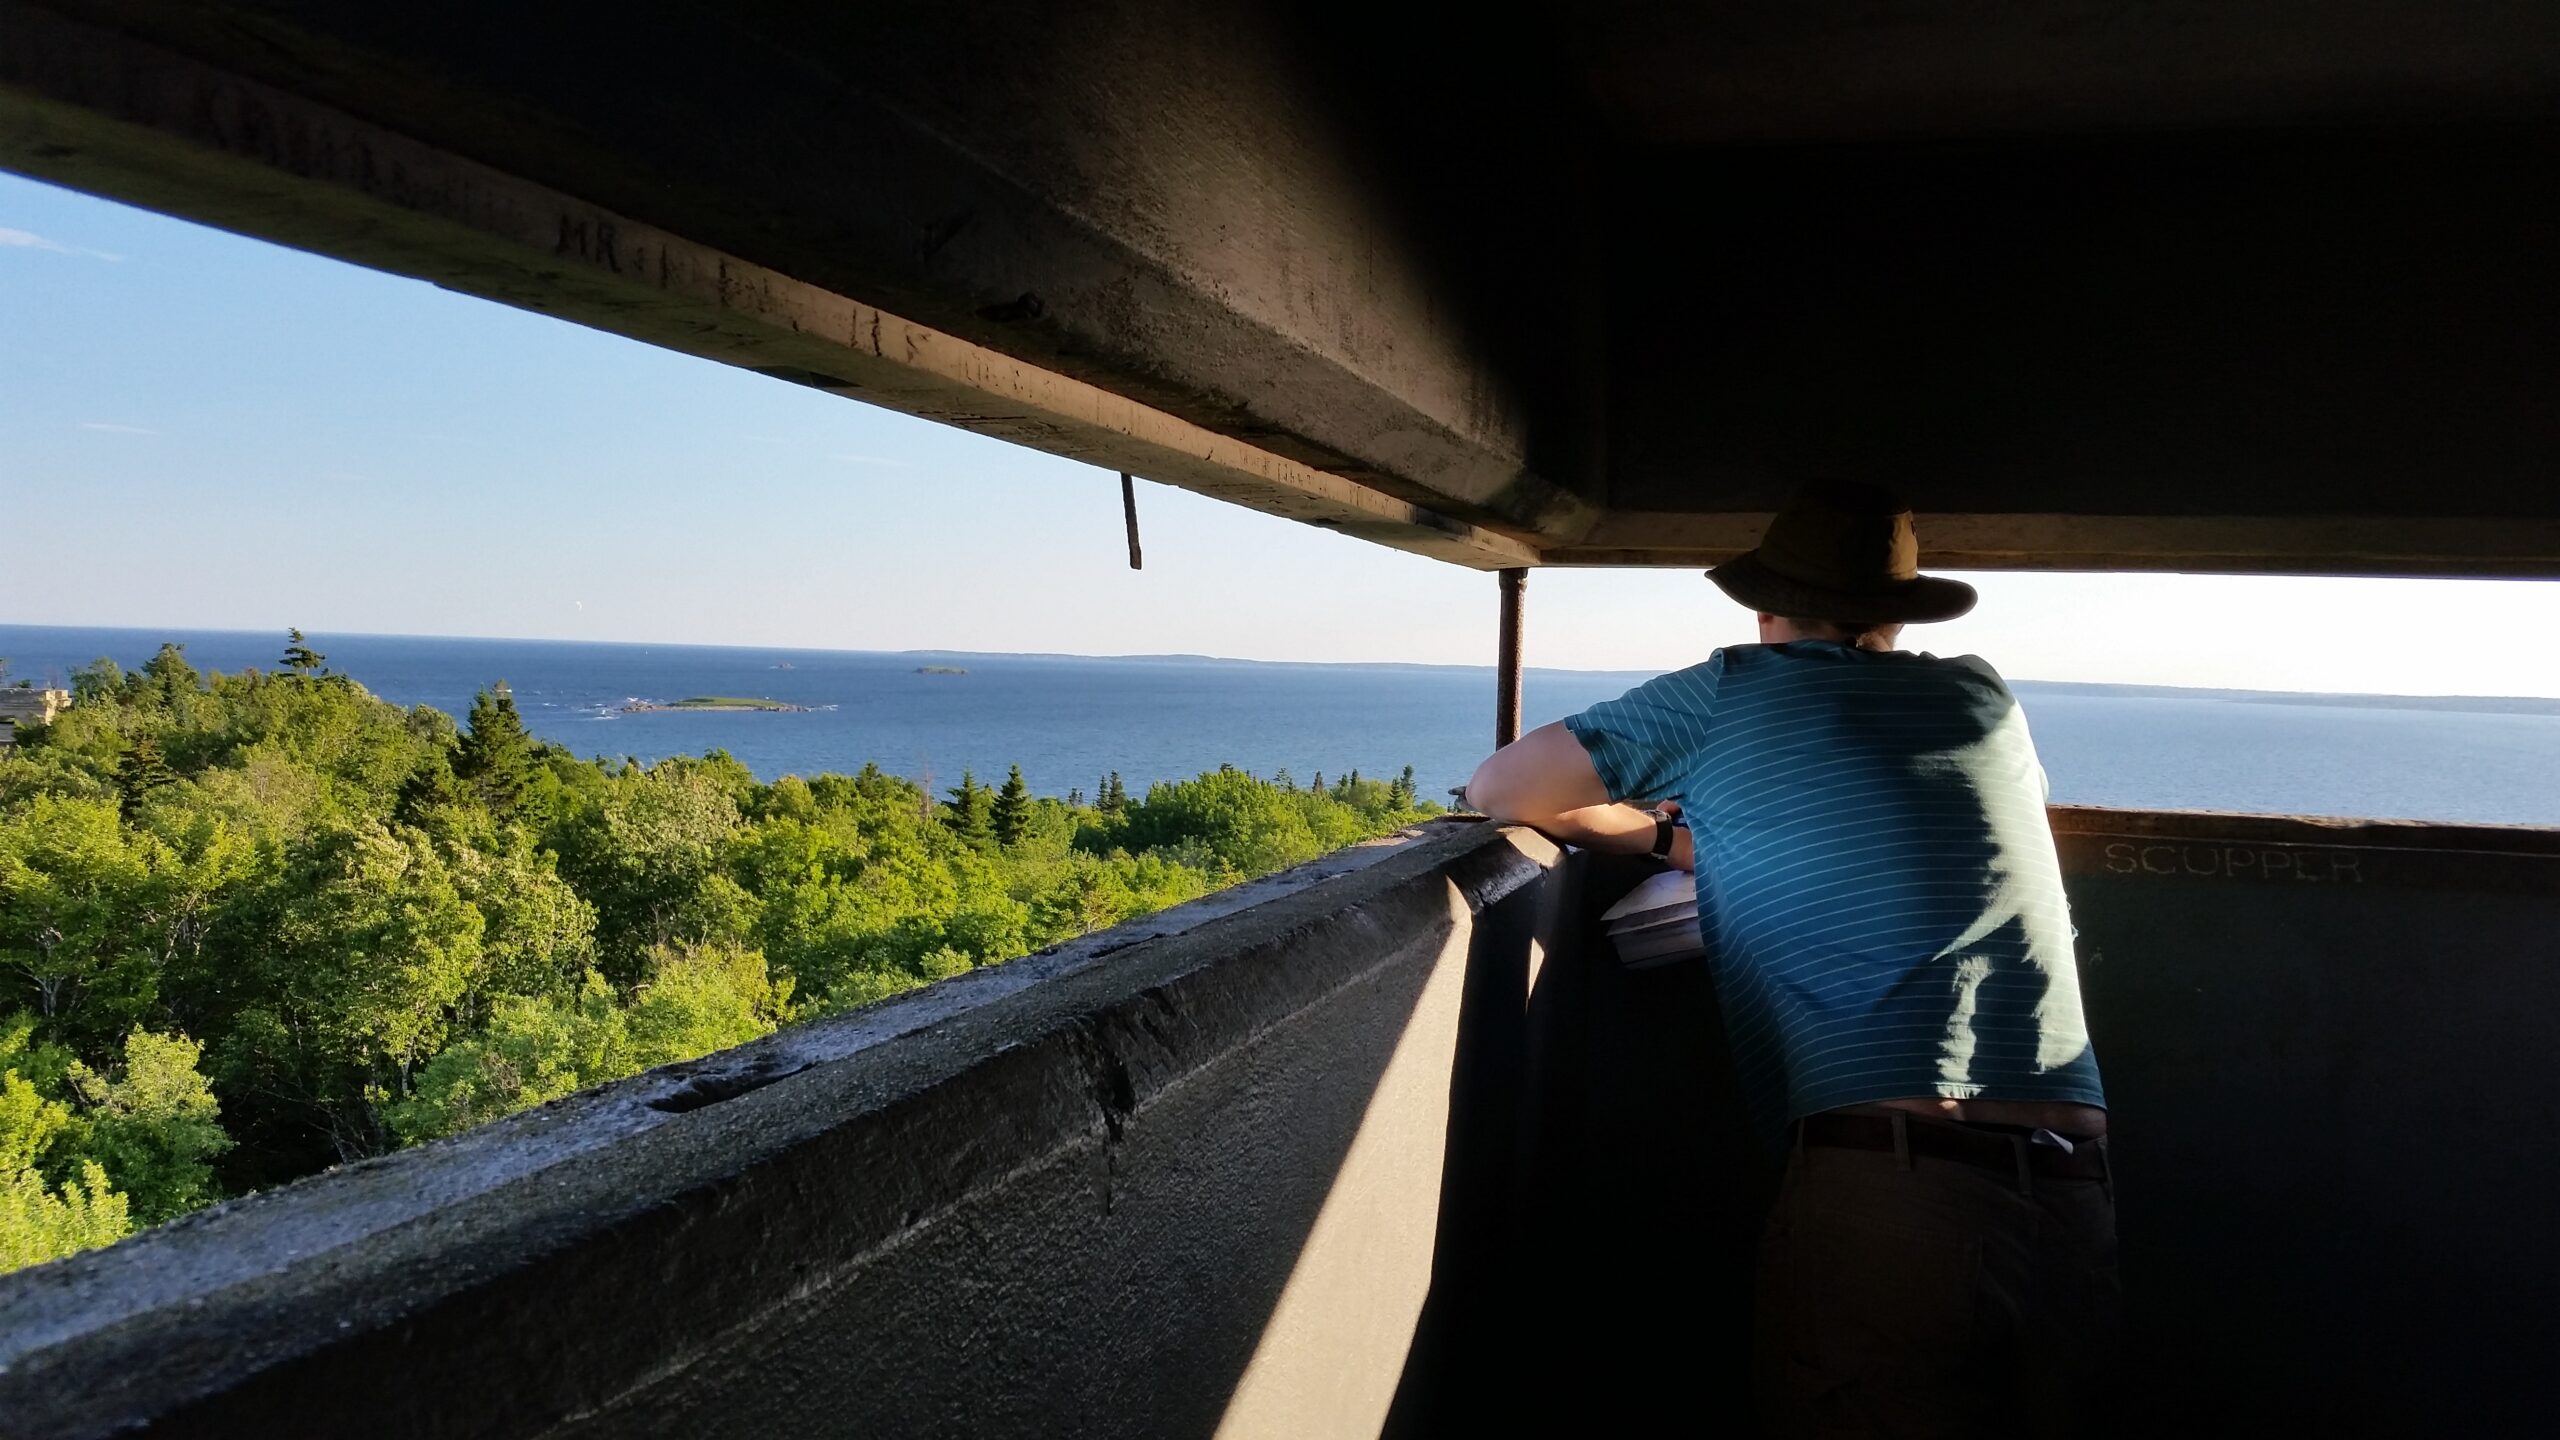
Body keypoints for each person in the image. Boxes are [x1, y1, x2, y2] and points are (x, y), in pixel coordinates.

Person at [1464, 481, 2115, 1438]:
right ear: (1895, 617)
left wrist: (1647, 832)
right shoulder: (1982, 696)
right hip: (2075, 1190)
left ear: (1763, 608)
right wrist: (1685, 840)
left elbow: (1499, 787)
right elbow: (1869, 815)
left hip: (1894, 1192)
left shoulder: (1737, 690)